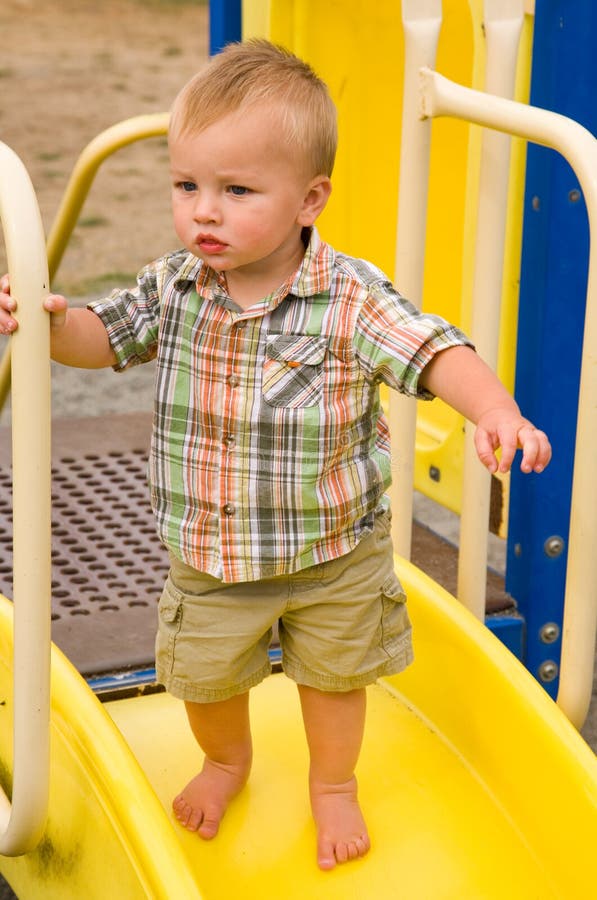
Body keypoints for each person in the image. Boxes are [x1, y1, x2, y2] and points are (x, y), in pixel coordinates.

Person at [0, 39, 551, 871]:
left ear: (308, 199)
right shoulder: (176, 284)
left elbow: (430, 350)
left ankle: (333, 785)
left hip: (334, 554)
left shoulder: (349, 296)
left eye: (236, 191)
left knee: (336, 680)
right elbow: (103, 335)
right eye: (186, 186)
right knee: (204, 680)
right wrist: (48, 324)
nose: (203, 214)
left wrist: (494, 408)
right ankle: (228, 761)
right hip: (211, 558)